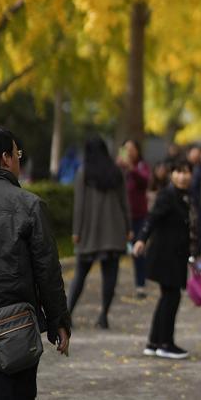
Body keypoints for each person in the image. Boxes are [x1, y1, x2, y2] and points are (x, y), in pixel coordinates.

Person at [0, 125, 71, 400]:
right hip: (14, 327)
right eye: (17, 154)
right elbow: (47, 270)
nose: (18, 159)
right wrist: (58, 321)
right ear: (5, 158)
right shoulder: (29, 205)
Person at [133, 157, 195, 360]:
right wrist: (141, 239)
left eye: (186, 172)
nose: (182, 176)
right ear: (171, 174)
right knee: (171, 297)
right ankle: (165, 343)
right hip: (165, 255)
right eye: (178, 172)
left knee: (168, 297)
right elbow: (152, 218)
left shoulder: (182, 195)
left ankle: (154, 342)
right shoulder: (167, 195)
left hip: (174, 254)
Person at [67, 135, 130, 329]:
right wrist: (128, 228)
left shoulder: (84, 173)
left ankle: (68, 313)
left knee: (81, 273)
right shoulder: (116, 171)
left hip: (90, 232)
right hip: (114, 229)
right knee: (110, 274)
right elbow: (124, 202)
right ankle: (103, 316)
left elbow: (79, 206)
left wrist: (76, 231)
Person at [117, 138, 150, 297]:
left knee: (138, 250)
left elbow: (145, 182)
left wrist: (131, 168)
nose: (129, 151)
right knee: (115, 251)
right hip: (121, 216)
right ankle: (112, 284)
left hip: (138, 215)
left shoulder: (141, 166)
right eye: (126, 148)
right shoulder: (118, 168)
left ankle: (140, 284)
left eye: (132, 148)